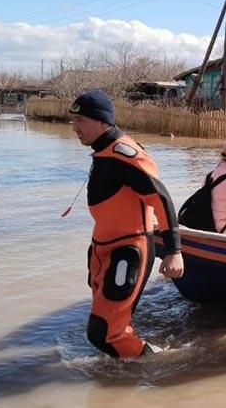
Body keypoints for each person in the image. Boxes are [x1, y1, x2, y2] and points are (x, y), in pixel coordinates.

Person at [69, 89, 184, 358]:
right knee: (104, 328)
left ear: (102, 122)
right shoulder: (103, 150)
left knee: (105, 334)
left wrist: (174, 251)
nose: (74, 128)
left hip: (129, 250)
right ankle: (121, 377)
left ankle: (155, 365)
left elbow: (161, 199)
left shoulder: (124, 154)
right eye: (72, 121)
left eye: (80, 121)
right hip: (104, 248)